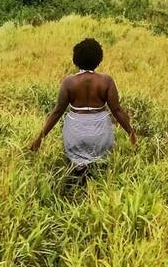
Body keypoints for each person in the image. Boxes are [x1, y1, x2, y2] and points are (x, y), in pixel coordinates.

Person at [28, 37, 136, 169]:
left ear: (76, 60)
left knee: (77, 169)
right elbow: (117, 110)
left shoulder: (69, 82)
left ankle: (78, 179)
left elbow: (57, 112)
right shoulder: (106, 81)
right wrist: (131, 132)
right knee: (100, 169)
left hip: (75, 134)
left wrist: (40, 137)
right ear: (98, 59)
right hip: (100, 134)